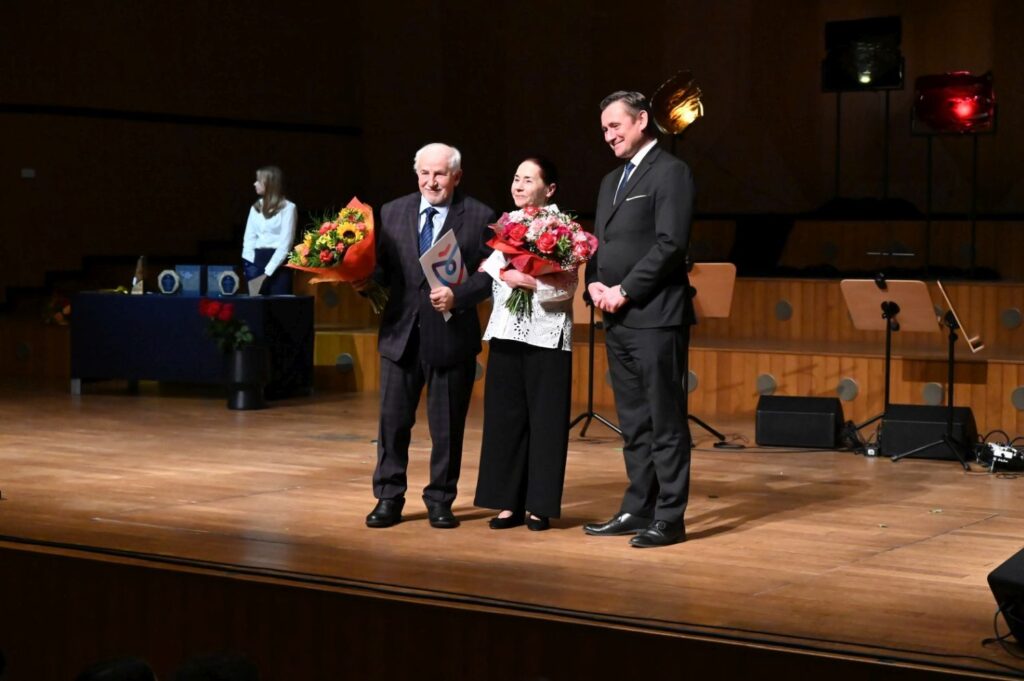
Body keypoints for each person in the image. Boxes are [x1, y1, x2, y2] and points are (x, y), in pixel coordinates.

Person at [359, 143, 496, 529]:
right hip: (400, 335)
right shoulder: (393, 211)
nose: (430, 181)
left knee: (447, 428)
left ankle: (440, 499)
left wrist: (460, 294)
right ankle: (388, 498)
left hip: (450, 335)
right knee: (392, 423)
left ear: (456, 176)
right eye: (424, 173)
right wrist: (362, 281)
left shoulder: (481, 216)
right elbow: (383, 271)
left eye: (439, 174)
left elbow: (491, 275)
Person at [583, 91, 695, 548]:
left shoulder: (671, 173)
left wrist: (625, 290)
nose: (609, 135)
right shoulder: (611, 179)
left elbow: (670, 245)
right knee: (633, 421)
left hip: (654, 316)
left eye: (616, 126)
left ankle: (670, 516)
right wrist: (593, 281)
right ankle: (637, 506)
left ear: (642, 120)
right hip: (615, 316)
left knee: (665, 419)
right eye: (604, 128)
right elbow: (599, 242)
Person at [474, 157, 575, 532]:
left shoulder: (564, 228)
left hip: (547, 334)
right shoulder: (508, 223)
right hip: (506, 329)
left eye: (527, 179)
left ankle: (539, 504)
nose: (518, 185)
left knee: (545, 422)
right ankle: (507, 503)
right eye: (516, 178)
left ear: (549, 189)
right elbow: (493, 271)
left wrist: (529, 281)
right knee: (505, 418)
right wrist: (506, 274)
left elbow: (566, 287)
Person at [241, 165, 297, 295]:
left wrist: (267, 272)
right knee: (257, 309)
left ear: (269, 184)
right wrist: (249, 267)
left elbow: (286, 244)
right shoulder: (255, 207)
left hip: (278, 264)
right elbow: (249, 239)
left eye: (259, 181)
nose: (255, 184)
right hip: (257, 260)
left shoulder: (288, 208)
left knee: (279, 308)